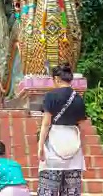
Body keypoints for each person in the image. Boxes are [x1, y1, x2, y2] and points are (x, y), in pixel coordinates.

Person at [37, 63, 86, 196]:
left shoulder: (50, 96)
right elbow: (82, 126)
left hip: (53, 146)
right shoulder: (78, 98)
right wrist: (82, 148)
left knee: (48, 190)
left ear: (57, 79)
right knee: (71, 191)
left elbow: (46, 123)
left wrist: (40, 145)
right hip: (73, 147)